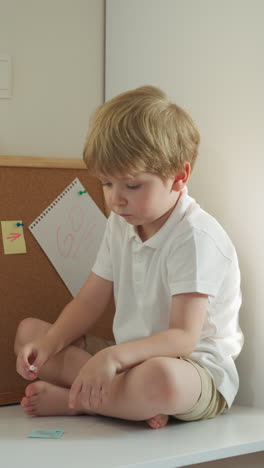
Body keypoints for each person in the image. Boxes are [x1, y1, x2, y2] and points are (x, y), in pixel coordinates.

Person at [14, 85, 243, 429]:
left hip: (192, 371)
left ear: (179, 177)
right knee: (29, 334)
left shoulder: (194, 236)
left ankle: (80, 402)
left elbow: (183, 336)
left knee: (160, 378)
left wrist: (113, 356)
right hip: (127, 361)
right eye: (106, 184)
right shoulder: (122, 222)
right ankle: (120, 401)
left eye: (131, 186)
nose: (115, 200)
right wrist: (50, 343)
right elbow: (90, 299)